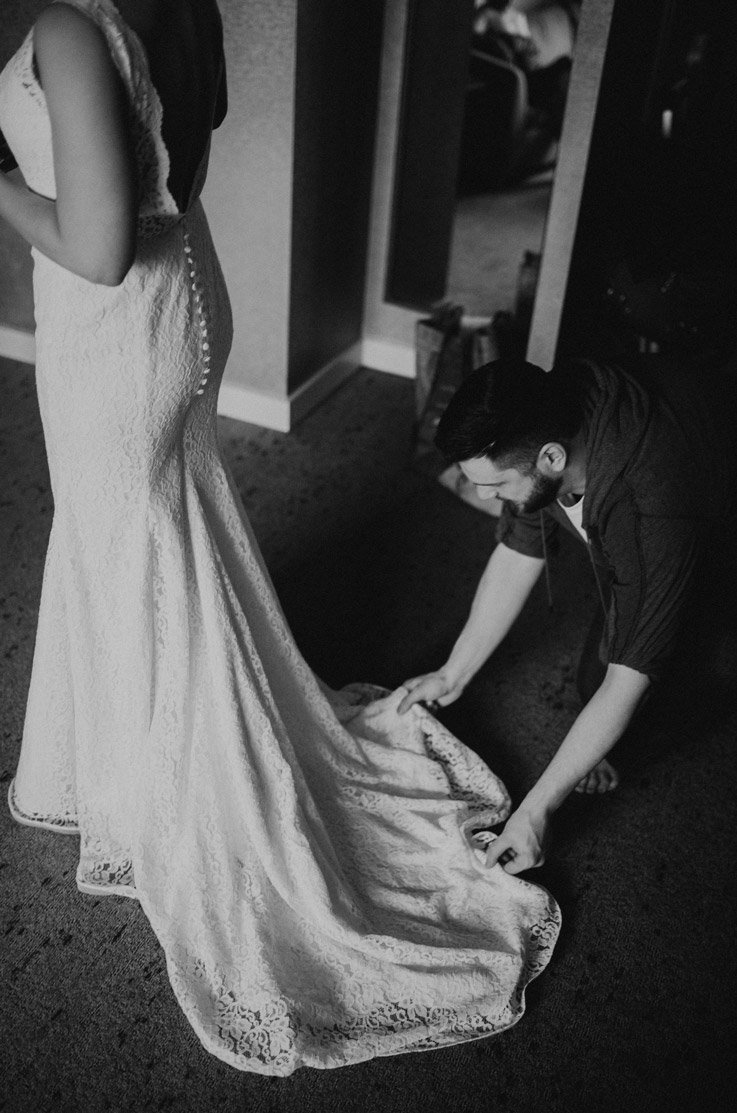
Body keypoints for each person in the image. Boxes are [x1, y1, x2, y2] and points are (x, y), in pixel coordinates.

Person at [0, 1, 559, 1075]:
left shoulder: (72, 29)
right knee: (151, 540)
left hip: (115, 326)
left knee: (131, 547)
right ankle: (128, 752)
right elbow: (176, 166)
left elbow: (100, 248)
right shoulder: (177, 9)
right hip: (177, 305)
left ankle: (180, 775)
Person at [399, 357, 736, 875]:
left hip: (711, 513)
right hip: (680, 444)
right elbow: (518, 553)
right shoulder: (547, 417)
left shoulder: (648, 506)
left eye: (495, 485)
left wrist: (535, 811)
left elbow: (631, 675)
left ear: (553, 457)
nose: (485, 498)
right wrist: (453, 672)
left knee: (634, 682)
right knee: (596, 683)